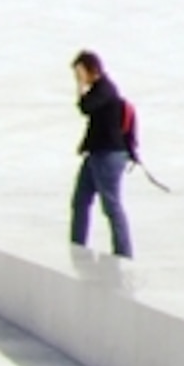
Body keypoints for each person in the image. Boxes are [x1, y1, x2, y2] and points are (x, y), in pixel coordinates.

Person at [68, 50, 133, 260]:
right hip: (96, 154)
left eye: (80, 72)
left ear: (91, 70)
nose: (79, 77)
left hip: (108, 156)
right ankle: (77, 246)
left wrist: (80, 86)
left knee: (111, 205)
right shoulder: (100, 89)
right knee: (80, 201)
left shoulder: (105, 89)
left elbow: (86, 107)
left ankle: (124, 253)